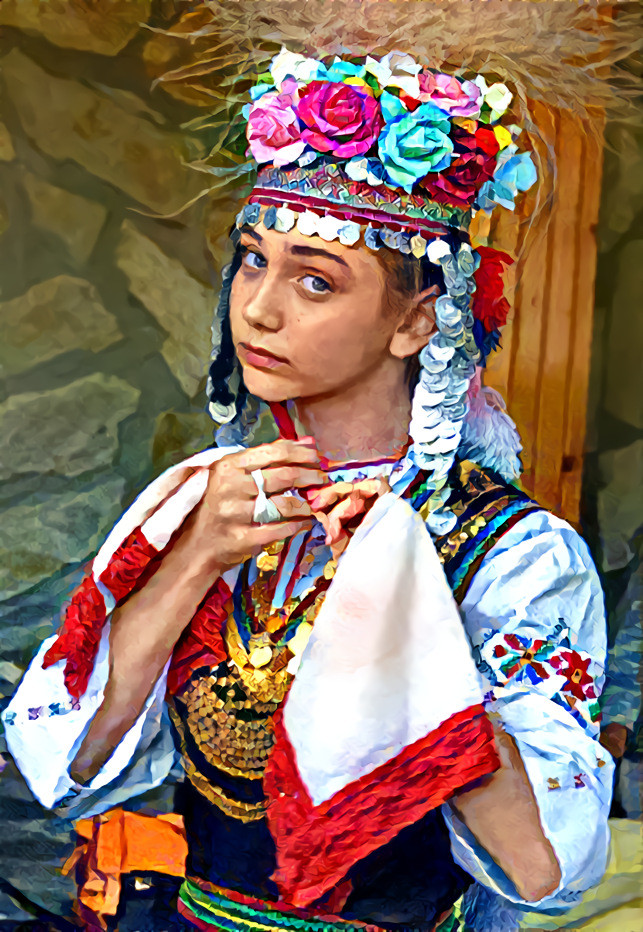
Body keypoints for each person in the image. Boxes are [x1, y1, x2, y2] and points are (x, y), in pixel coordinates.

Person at [3, 48, 614, 932]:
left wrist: (406, 612)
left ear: (414, 321)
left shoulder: (510, 553)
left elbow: (542, 868)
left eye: (315, 279)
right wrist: (191, 561)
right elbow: (68, 769)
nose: (258, 309)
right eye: (253, 261)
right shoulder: (202, 504)